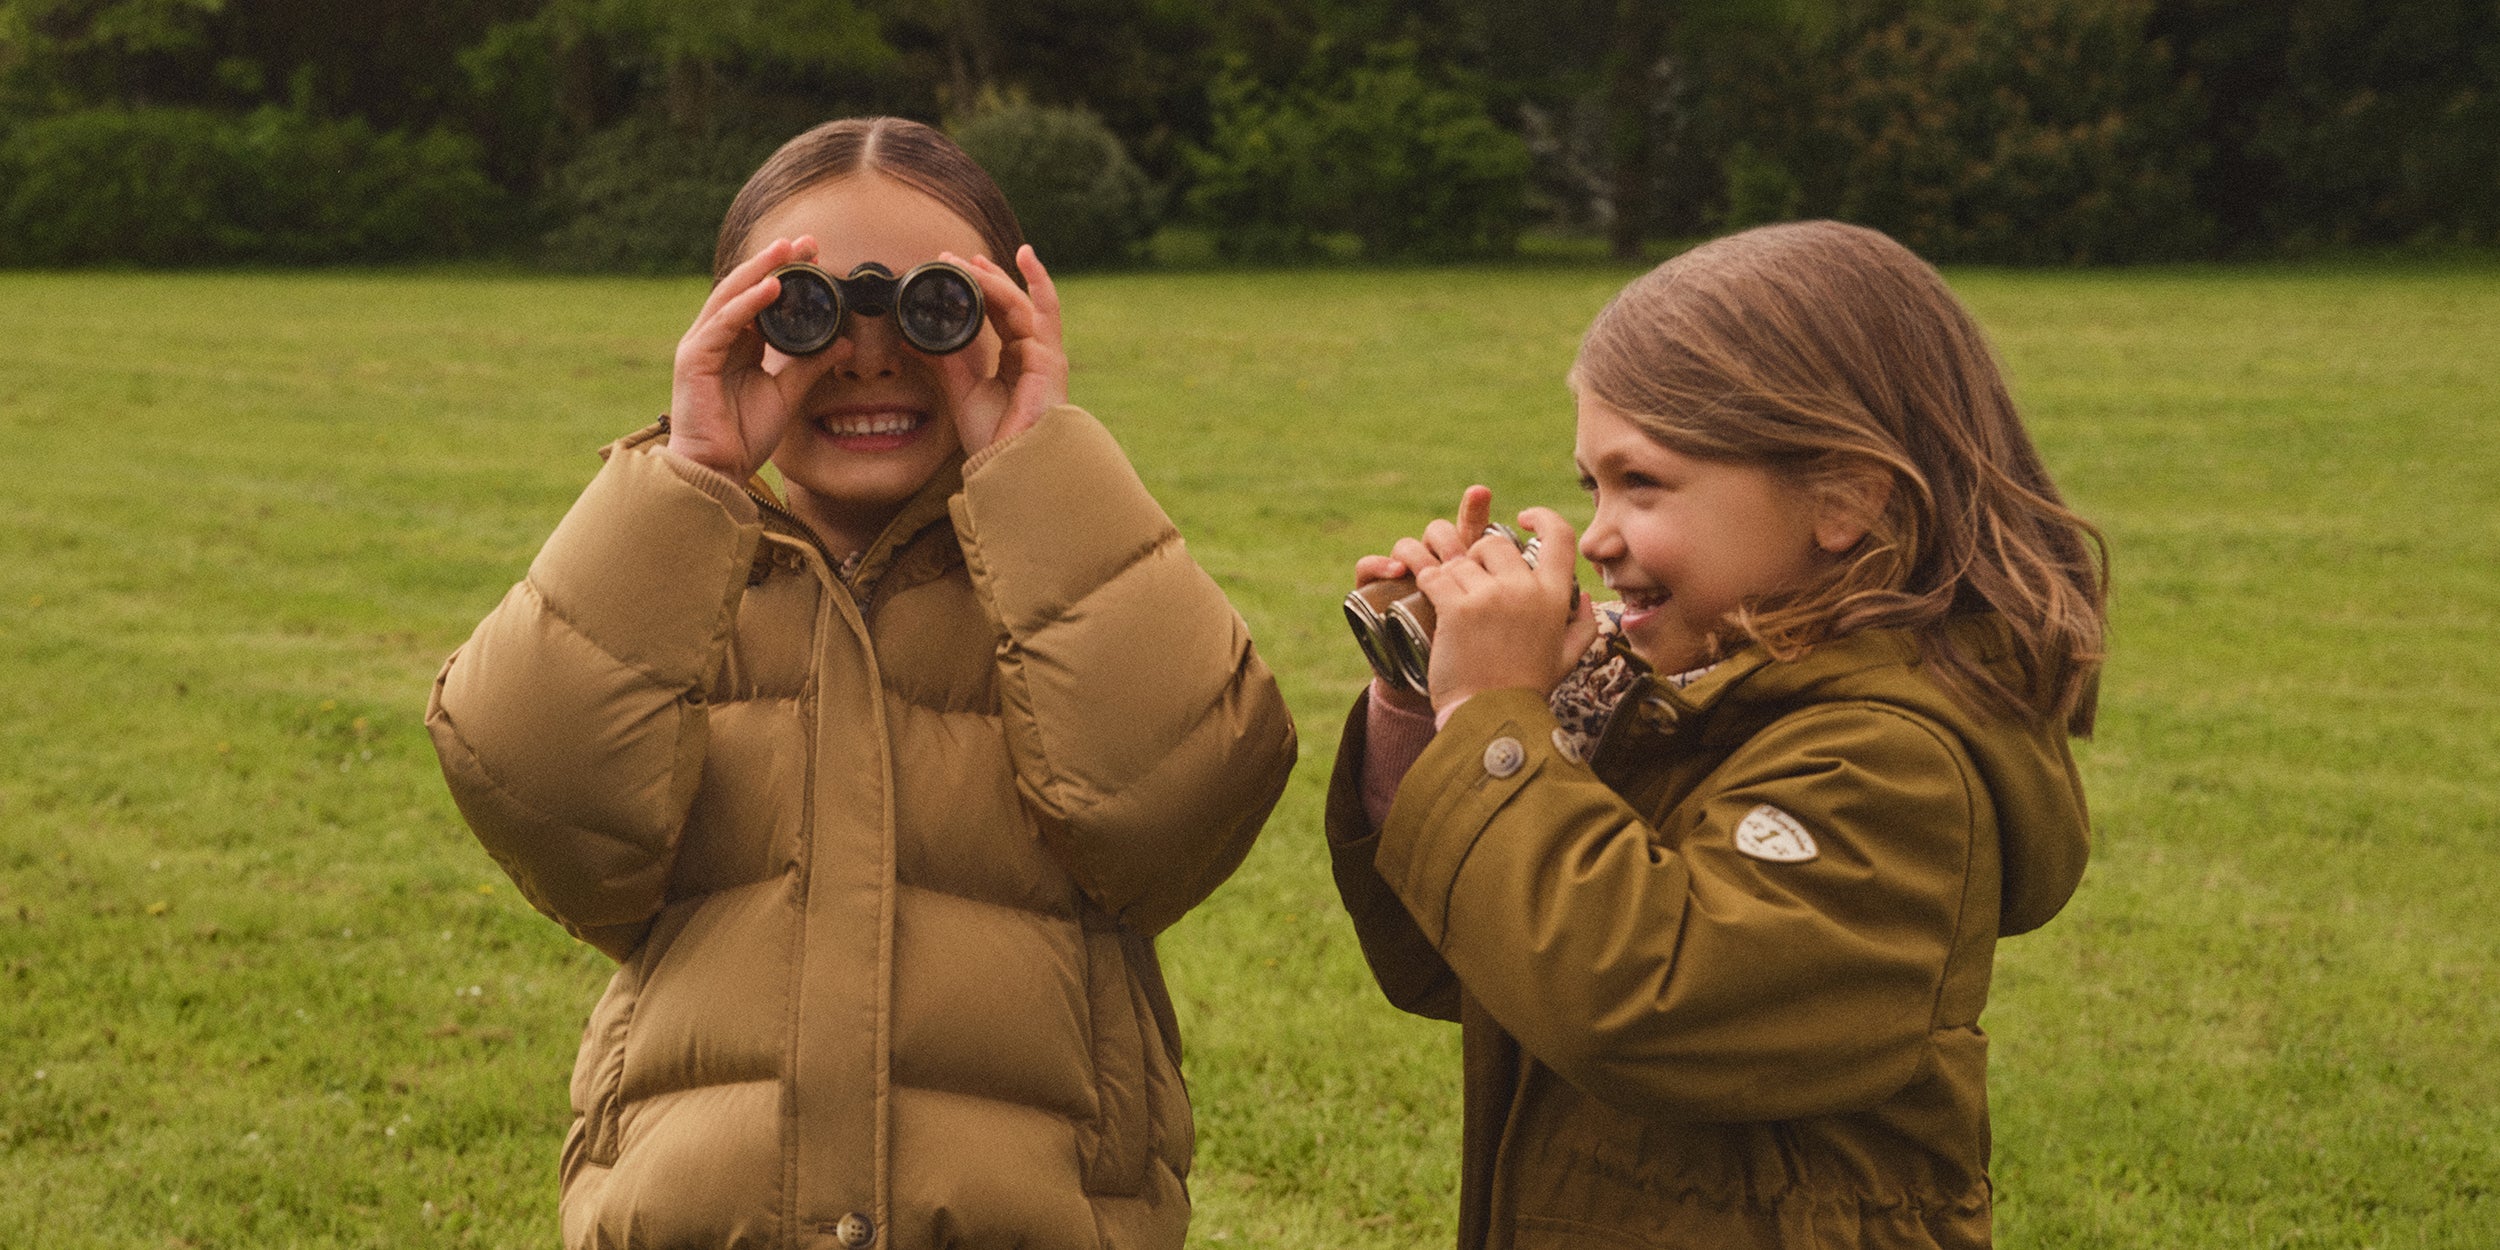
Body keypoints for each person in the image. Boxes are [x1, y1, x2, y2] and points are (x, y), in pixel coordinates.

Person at [425, 116, 1297, 1250]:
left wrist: (1036, 466)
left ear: (1008, 321)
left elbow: (1176, 811)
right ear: (732, 326)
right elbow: (544, 803)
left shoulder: (1057, 582)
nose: (872, 354)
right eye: (808, 310)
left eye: (934, 309)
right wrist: (686, 478)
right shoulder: (679, 588)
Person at [1326, 220, 2105, 1249]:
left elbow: (1633, 1000)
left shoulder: (1894, 766)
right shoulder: (1676, 707)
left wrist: (1492, 721)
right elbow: (1457, 959)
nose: (1596, 537)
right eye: (1588, 486)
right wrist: (1422, 704)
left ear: (1841, 498)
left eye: (1641, 483)